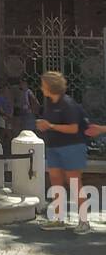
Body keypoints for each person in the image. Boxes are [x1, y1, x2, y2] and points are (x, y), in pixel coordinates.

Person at [35, 71, 91, 234]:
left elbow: (73, 128)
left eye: (43, 84)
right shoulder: (49, 103)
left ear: (51, 86)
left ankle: (84, 221)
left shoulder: (68, 103)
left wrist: (50, 126)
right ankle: (58, 218)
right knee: (56, 182)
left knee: (74, 183)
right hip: (54, 147)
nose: (41, 87)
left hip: (71, 147)